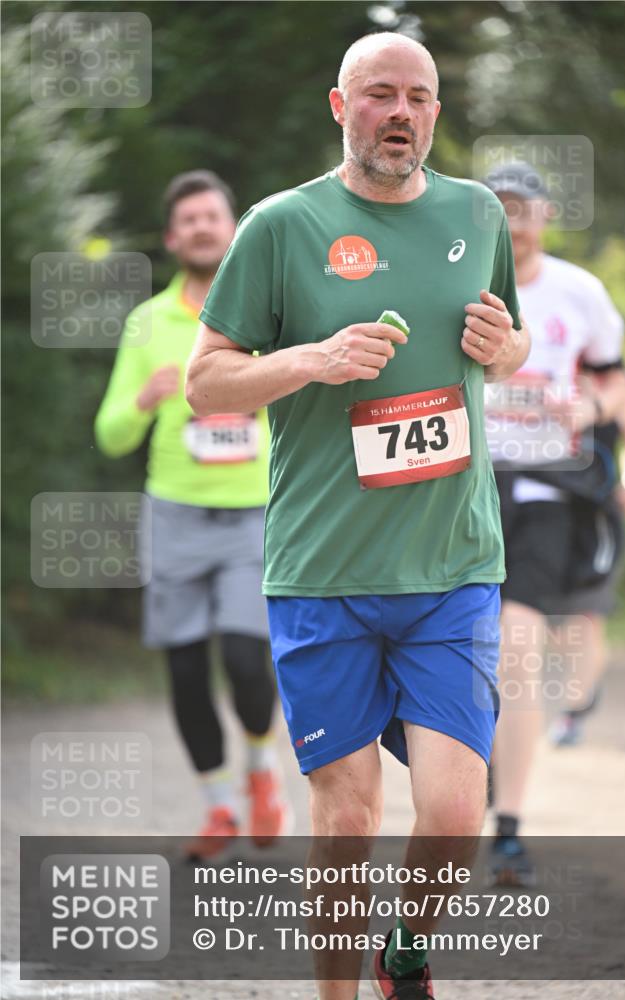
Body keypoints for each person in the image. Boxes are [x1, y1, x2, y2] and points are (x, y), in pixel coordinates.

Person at [187, 33, 529, 1000]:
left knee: (456, 816)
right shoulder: (279, 226)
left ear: (434, 112)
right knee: (345, 820)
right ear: (340, 107)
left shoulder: (476, 212)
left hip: (452, 564)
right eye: (379, 95)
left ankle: (403, 951)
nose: (400, 114)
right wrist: (310, 360)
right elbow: (205, 385)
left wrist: (506, 349)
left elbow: (507, 344)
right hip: (323, 571)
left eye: (418, 98)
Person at [95, 170, 289, 860]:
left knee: (243, 655)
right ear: (174, 238)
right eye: (190, 219)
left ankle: (263, 776)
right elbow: (110, 434)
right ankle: (217, 808)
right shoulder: (148, 322)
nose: (204, 227)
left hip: (252, 513)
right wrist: (143, 401)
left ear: (234, 229)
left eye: (214, 216)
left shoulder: (270, 313)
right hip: (173, 514)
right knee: (182, 670)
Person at [482, 162, 625, 885]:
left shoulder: (580, 292)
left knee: (517, 652)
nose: (511, 221)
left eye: (521, 208)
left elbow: (613, 379)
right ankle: (468, 770)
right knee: (453, 655)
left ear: (543, 214)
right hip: (459, 491)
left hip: (544, 493)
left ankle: (506, 828)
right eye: (497, 207)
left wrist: (594, 410)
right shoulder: (454, 280)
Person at [548, 379, 625, 747]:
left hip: (597, 517)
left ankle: (574, 710)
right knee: (548, 619)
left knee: (587, 613)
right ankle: (585, 688)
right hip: (547, 513)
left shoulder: (622, 394)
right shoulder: (551, 377)